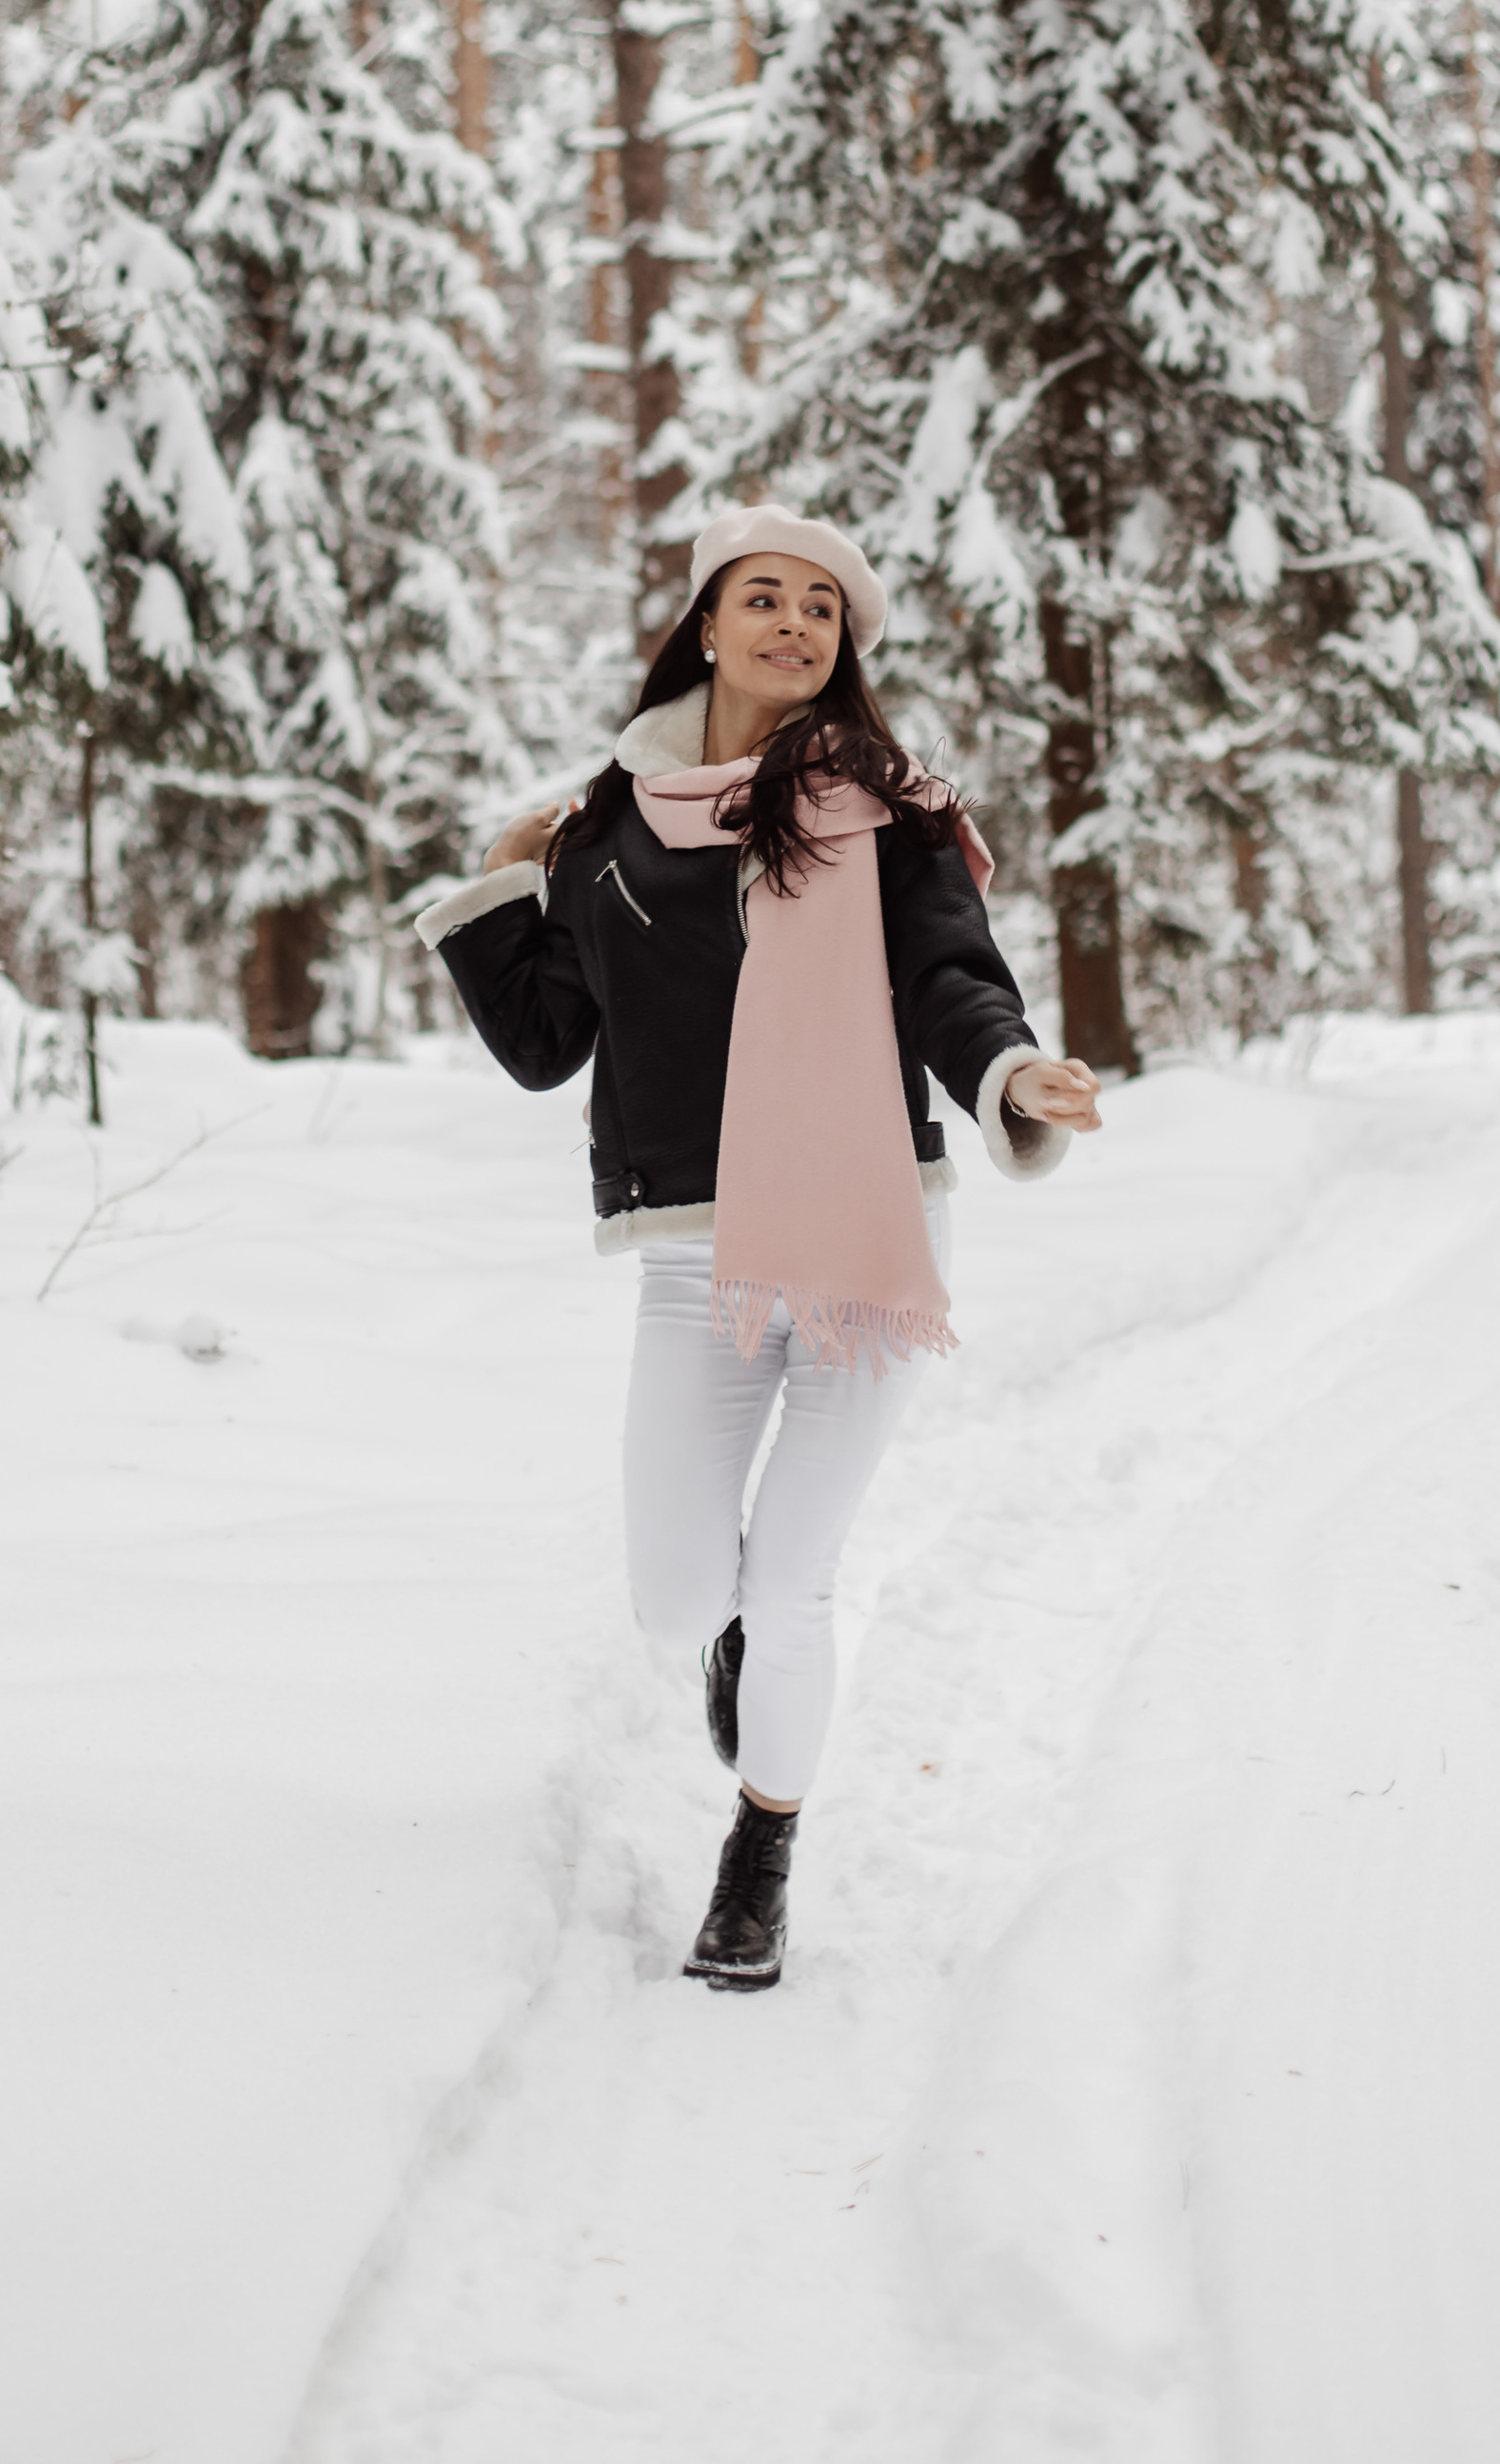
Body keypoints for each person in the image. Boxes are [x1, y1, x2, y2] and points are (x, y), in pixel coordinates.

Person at [414, 505, 1102, 1989]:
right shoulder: (609, 826)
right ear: (708, 626)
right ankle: (736, 1650)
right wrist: (499, 878)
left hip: (862, 1236)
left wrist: (1008, 1075)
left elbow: (950, 980)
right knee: (681, 1597)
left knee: (793, 1582)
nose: (797, 624)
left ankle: (759, 1857)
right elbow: (547, 1046)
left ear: (842, 649)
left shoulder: (893, 812)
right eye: (766, 598)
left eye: (824, 609)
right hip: (693, 1256)